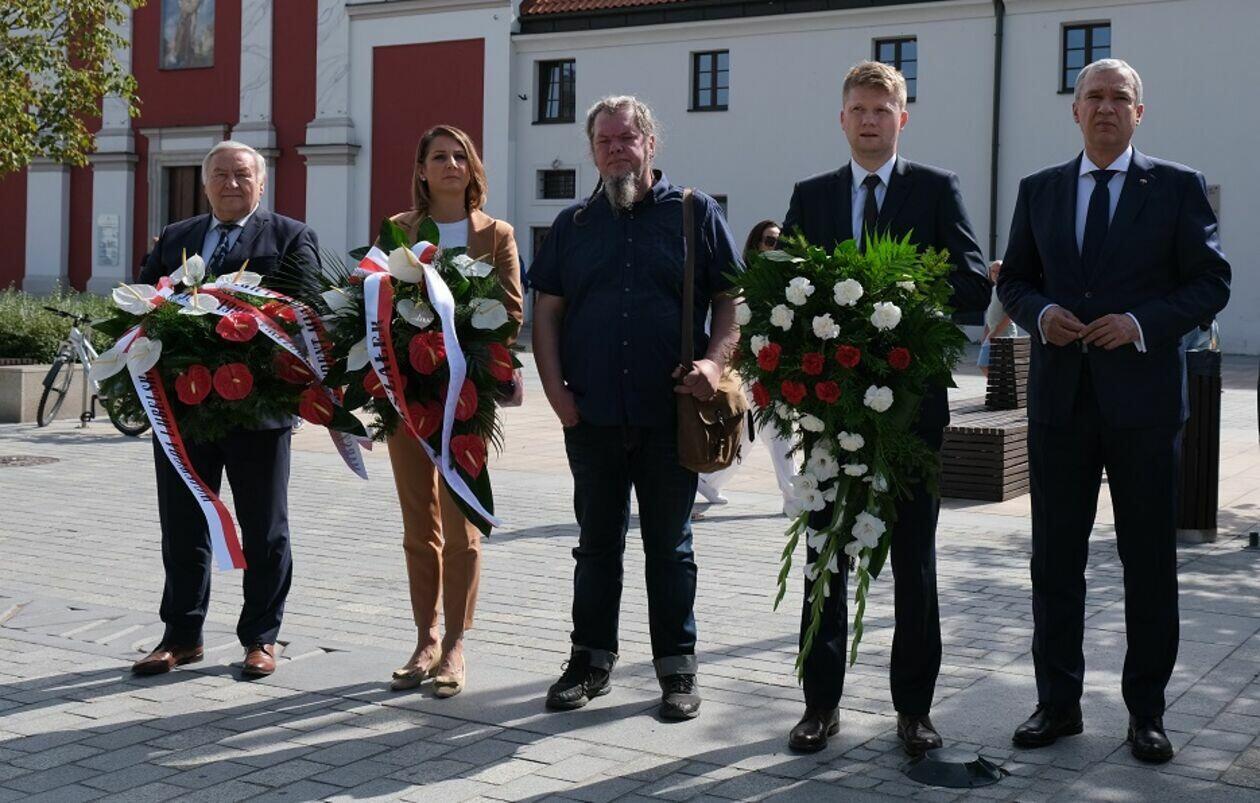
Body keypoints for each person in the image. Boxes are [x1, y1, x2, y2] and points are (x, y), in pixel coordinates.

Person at [997, 59, 1230, 764]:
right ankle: (1057, 704)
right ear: (1074, 110)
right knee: (1055, 562)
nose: (1105, 107)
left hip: (1145, 408)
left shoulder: (1178, 187)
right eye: (1093, 96)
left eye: (1119, 97)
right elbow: (1017, 281)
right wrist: (1041, 315)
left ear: (1139, 111)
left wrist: (1139, 323)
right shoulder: (1039, 189)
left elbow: (1211, 282)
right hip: (1060, 406)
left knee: (1148, 563)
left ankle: (1146, 713)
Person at [781, 61, 991, 755]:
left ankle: (915, 711)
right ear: (841, 119)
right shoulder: (811, 195)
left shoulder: (935, 189)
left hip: (911, 411)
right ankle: (820, 705)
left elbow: (971, 282)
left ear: (902, 118)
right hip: (830, 409)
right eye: (859, 109)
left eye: (882, 109)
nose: (870, 120)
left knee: (913, 564)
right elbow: (783, 289)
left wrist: (896, 298)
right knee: (824, 556)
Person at [529, 95, 742, 720]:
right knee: (596, 545)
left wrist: (714, 365)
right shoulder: (573, 225)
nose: (616, 150)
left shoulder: (695, 213)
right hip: (591, 413)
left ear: (651, 143)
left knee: (670, 547)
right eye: (605, 141)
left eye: (627, 139)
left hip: (670, 413)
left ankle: (677, 668)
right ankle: (589, 661)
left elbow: (730, 300)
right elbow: (547, 313)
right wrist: (555, 392)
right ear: (592, 150)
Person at [132, 140, 319, 679]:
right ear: (205, 182)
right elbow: (144, 302)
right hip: (182, 409)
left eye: (242, 174)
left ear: (262, 182)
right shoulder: (176, 237)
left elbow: (304, 311)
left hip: (257, 409)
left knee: (264, 528)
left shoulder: (290, 236)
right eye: (220, 174)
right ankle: (181, 636)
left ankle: (261, 637)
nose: (231, 183)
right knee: (182, 524)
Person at [384, 125, 523, 697]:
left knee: (462, 521)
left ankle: (456, 644)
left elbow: (510, 310)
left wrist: (461, 331)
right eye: (437, 156)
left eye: (459, 156)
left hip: (466, 397)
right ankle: (425, 637)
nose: (449, 164)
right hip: (407, 395)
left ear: (472, 169)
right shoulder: (399, 229)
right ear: (421, 170)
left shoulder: (496, 234)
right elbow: (377, 301)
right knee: (418, 522)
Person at [694, 220, 796, 514]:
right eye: (769, 240)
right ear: (756, 245)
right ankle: (793, 496)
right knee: (778, 430)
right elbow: (733, 321)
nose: (775, 246)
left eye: (779, 241)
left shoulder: (787, 279)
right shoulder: (746, 280)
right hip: (755, 364)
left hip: (779, 365)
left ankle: (707, 481)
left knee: (751, 432)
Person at [977, 260, 1019, 375]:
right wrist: (986, 333)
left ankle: (999, 385)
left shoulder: (1007, 289)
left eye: (999, 272)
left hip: (1005, 335)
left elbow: (1010, 314)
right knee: (984, 364)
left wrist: (995, 333)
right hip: (992, 334)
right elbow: (991, 314)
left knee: (995, 366)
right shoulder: (994, 289)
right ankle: (997, 385)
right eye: (993, 271)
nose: (996, 274)